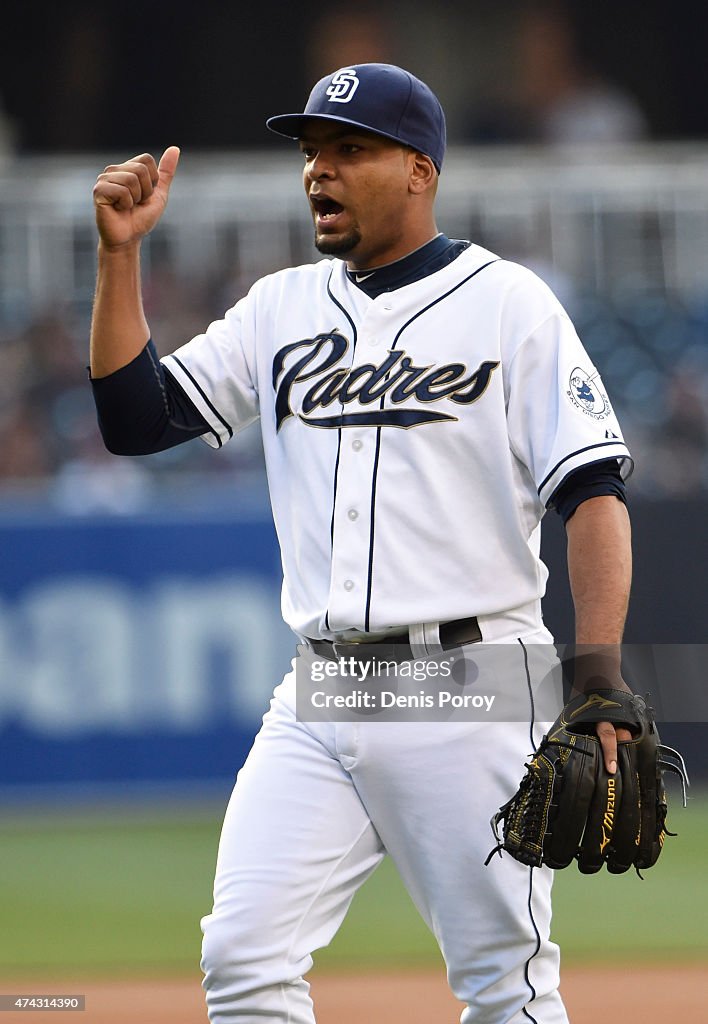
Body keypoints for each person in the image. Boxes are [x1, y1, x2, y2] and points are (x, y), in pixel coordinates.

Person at [90, 64, 633, 1024]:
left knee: (504, 988)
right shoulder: (280, 307)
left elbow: (592, 490)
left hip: (471, 678)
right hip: (321, 686)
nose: (319, 171)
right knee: (244, 957)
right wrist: (120, 259)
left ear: (419, 169)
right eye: (311, 152)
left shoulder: (509, 304)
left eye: (350, 150)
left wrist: (598, 672)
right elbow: (137, 421)